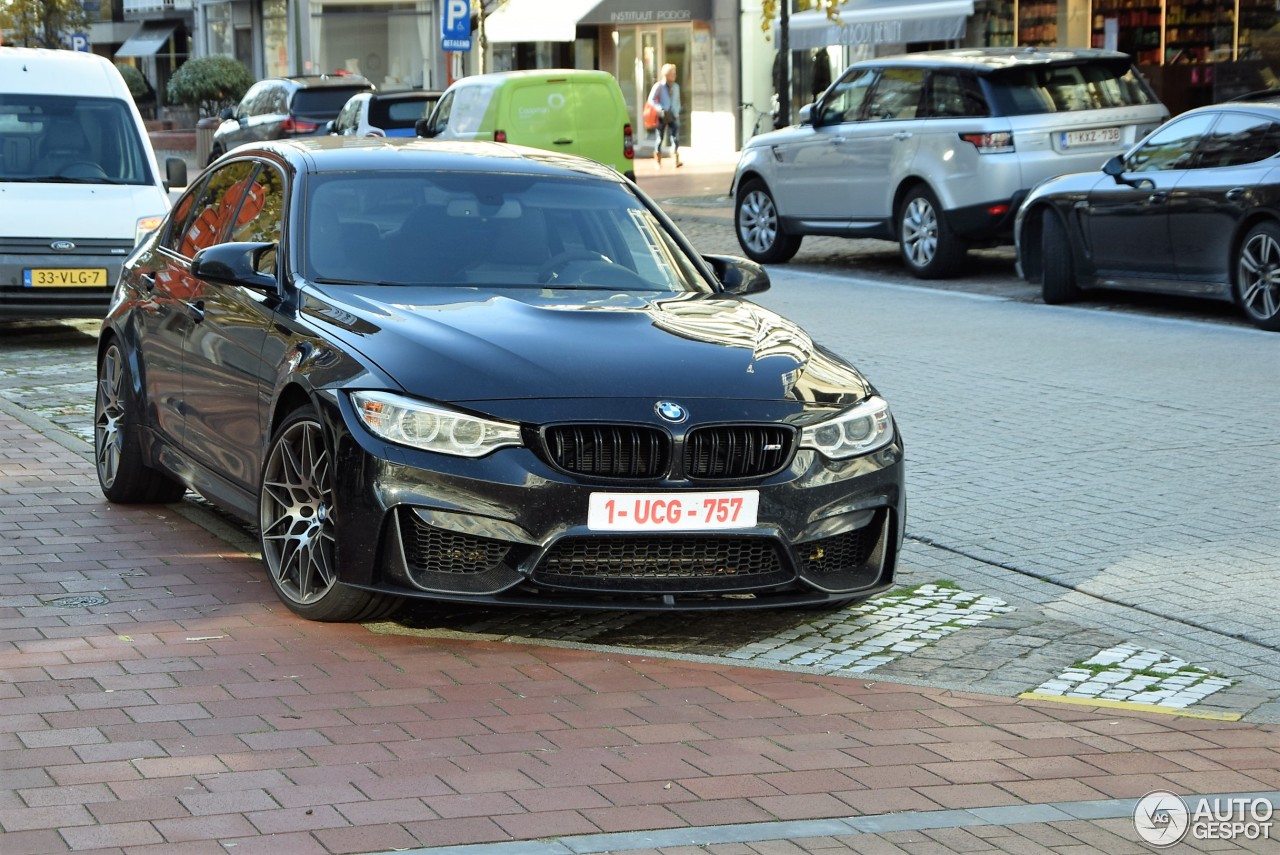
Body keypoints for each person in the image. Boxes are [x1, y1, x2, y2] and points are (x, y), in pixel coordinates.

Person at [647, 63, 682, 168]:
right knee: (660, 138)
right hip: (662, 115)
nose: (674, 76)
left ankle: (676, 159)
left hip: (673, 115)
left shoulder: (676, 87)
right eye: (672, 73)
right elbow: (651, 100)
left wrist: (677, 110)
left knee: (675, 136)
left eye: (675, 73)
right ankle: (658, 159)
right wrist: (660, 109)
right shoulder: (659, 86)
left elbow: (678, 100)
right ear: (666, 75)